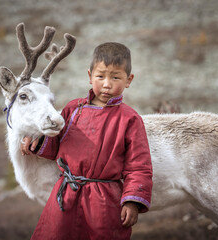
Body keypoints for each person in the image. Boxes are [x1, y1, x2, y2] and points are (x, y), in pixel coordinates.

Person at [21, 42, 153, 240]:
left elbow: (139, 167)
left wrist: (132, 201)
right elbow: (56, 146)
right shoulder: (73, 109)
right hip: (66, 195)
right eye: (100, 76)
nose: (107, 84)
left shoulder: (129, 119)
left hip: (104, 200)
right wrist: (38, 144)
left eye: (115, 77)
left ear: (128, 80)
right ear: (90, 76)